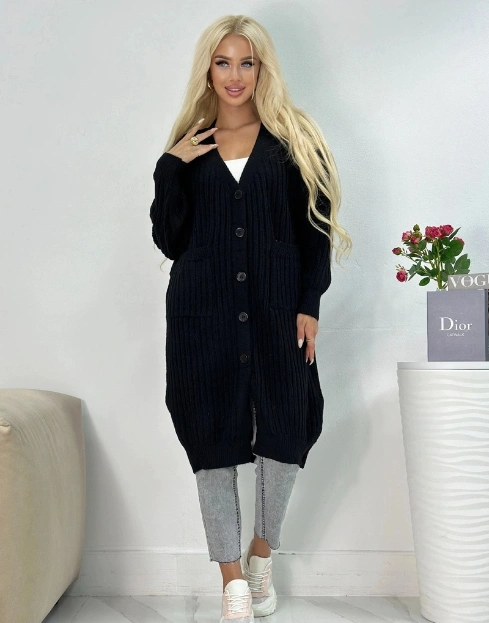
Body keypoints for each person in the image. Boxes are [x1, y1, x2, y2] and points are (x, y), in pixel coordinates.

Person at [149, 14, 351, 623]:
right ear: (207, 71)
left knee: (288, 429)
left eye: (246, 62)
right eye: (223, 62)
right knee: (210, 438)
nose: (234, 75)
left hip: (276, 310)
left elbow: (315, 231)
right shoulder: (190, 147)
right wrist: (170, 167)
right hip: (201, 317)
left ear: (262, 69)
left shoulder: (293, 142)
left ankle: (261, 555)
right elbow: (169, 240)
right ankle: (232, 581)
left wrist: (309, 303)